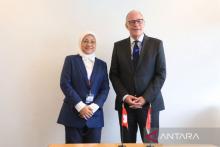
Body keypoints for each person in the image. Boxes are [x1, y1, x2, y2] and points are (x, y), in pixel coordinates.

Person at [109, 10, 166, 143]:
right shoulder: (118, 46)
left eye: (139, 21)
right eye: (132, 22)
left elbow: (161, 74)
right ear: (126, 25)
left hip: (149, 105)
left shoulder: (156, 44)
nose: (136, 24)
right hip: (126, 106)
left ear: (144, 23)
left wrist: (145, 98)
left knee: (151, 143)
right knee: (127, 143)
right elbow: (114, 74)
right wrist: (124, 96)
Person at [57, 32, 109, 143]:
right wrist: (81, 106)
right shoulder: (70, 60)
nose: (89, 44)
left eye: (92, 41)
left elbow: (105, 89)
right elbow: (65, 84)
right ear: (80, 43)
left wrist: (93, 108)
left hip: (94, 115)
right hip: (73, 114)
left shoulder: (102, 64)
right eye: (85, 41)